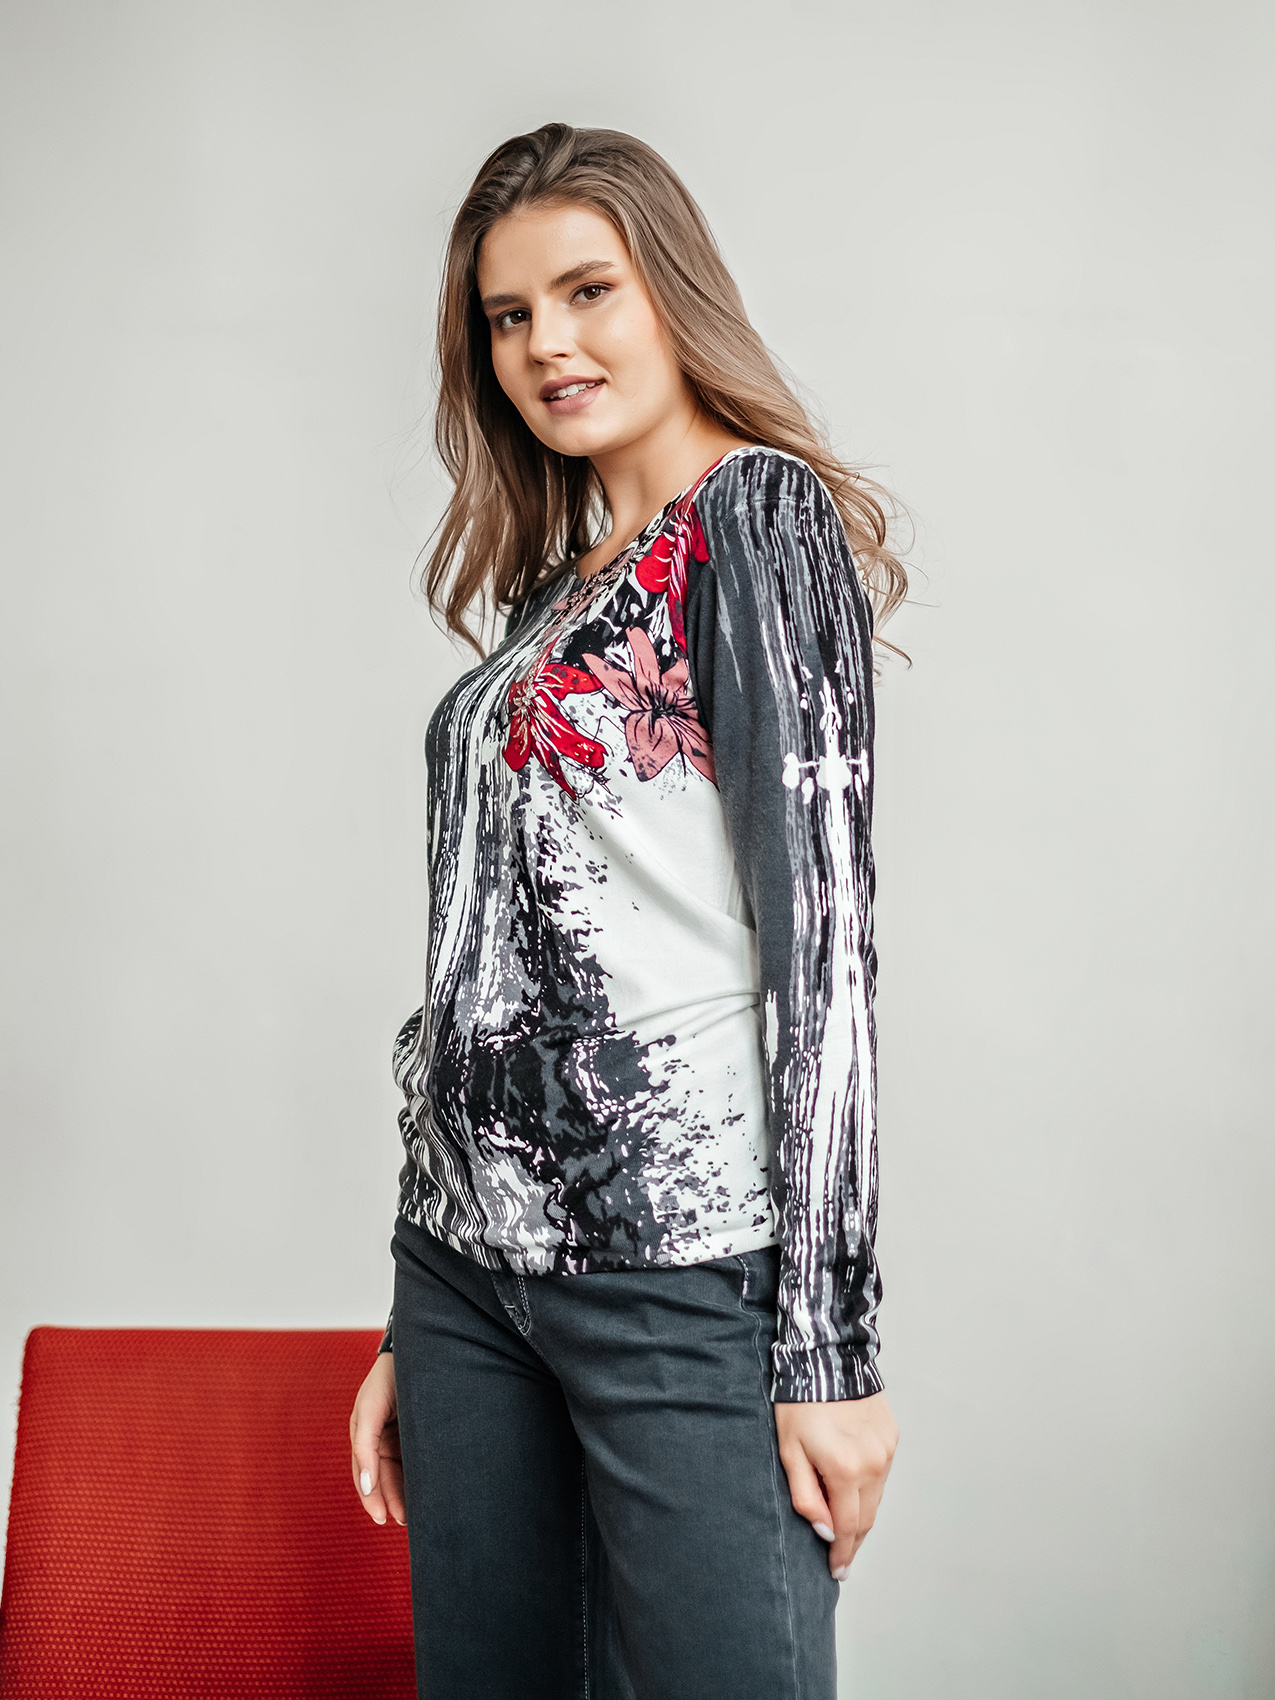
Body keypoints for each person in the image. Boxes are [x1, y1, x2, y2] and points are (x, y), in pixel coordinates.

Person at [348, 121, 906, 1700]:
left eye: (587, 291)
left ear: (671, 290)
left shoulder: (756, 522)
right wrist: (409, 1308)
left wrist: (831, 1349)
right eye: (508, 316)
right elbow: (477, 961)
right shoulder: (555, 593)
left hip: (677, 1265)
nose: (548, 344)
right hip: (466, 1280)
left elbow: (824, 951)